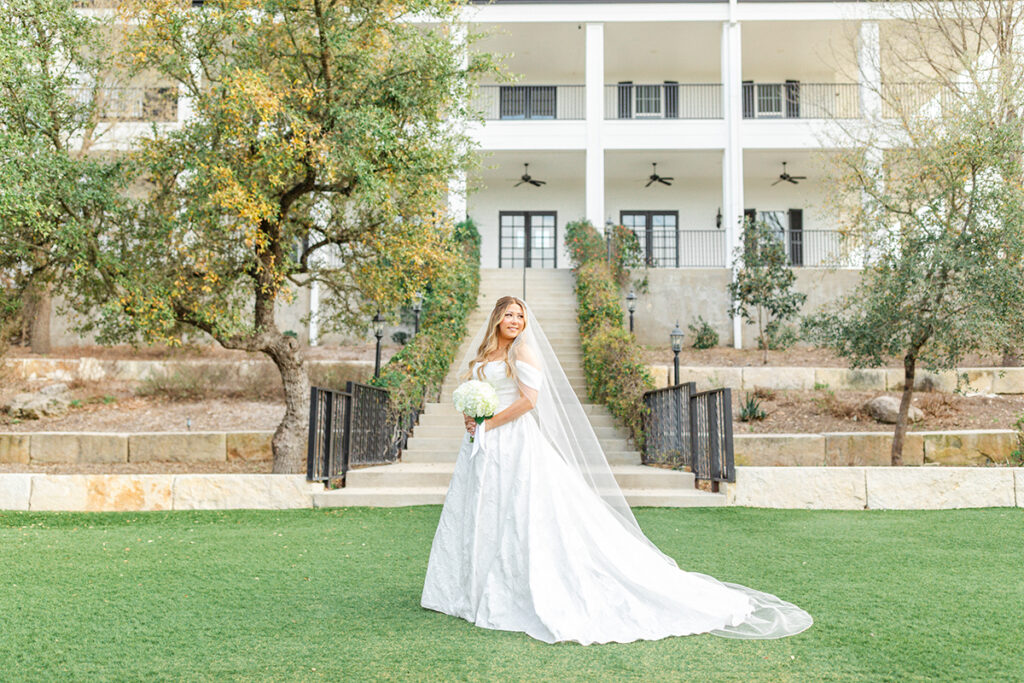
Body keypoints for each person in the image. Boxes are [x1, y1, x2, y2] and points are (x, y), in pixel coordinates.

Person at [420, 296, 812, 645]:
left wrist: (489, 423)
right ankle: (471, 586)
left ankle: (512, 587)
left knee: (517, 511)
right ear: (496, 318)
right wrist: (473, 419)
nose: (515, 321)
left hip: (513, 441)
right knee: (482, 508)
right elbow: (479, 396)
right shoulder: (485, 355)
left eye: (520, 316)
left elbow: (528, 402)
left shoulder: (523, 353)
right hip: (481, 445)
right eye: (509, 314)